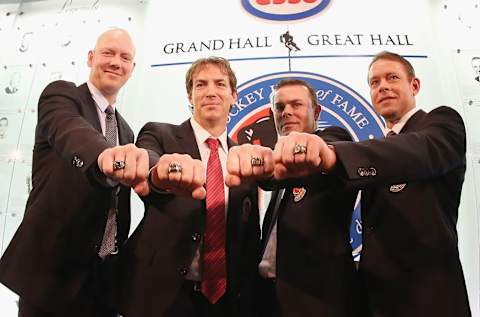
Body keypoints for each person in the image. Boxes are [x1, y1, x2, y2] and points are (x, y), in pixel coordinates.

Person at [273, 51, 471, 316]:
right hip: (376, 299)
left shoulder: (441, 124)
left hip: (429, 297)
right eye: (375, 82)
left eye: (392, 78)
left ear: (414, 85)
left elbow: (415, 151)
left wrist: (332, 155)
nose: (383, 87)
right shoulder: (376, 151)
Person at [0, 28, 149, 317]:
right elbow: (71, 131)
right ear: (91, 58)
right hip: (51, 272)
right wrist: (104, 155)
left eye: (125, 57)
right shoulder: (61, 96)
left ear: (132, 69)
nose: (116, 62)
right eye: (108, 53)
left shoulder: (127, 131)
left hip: (101, 280)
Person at [118, 57, 260, 317]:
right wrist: (161, 171)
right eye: (200, 84)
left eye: (219, 84)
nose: (210, 92)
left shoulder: (244, 157)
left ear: (234, 95)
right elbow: (150, 166)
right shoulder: (160, 134)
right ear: (190, 95)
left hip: (226, 301)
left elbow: (249, 237)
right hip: (160, 294)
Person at [226, 79, 359, 317]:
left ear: (316, 111)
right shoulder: (278, 161)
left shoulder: (334, 141)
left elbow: (322, 151)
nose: (287, 112)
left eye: (297, 104)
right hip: (266, 298)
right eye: (280, 107)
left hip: (317, 299)